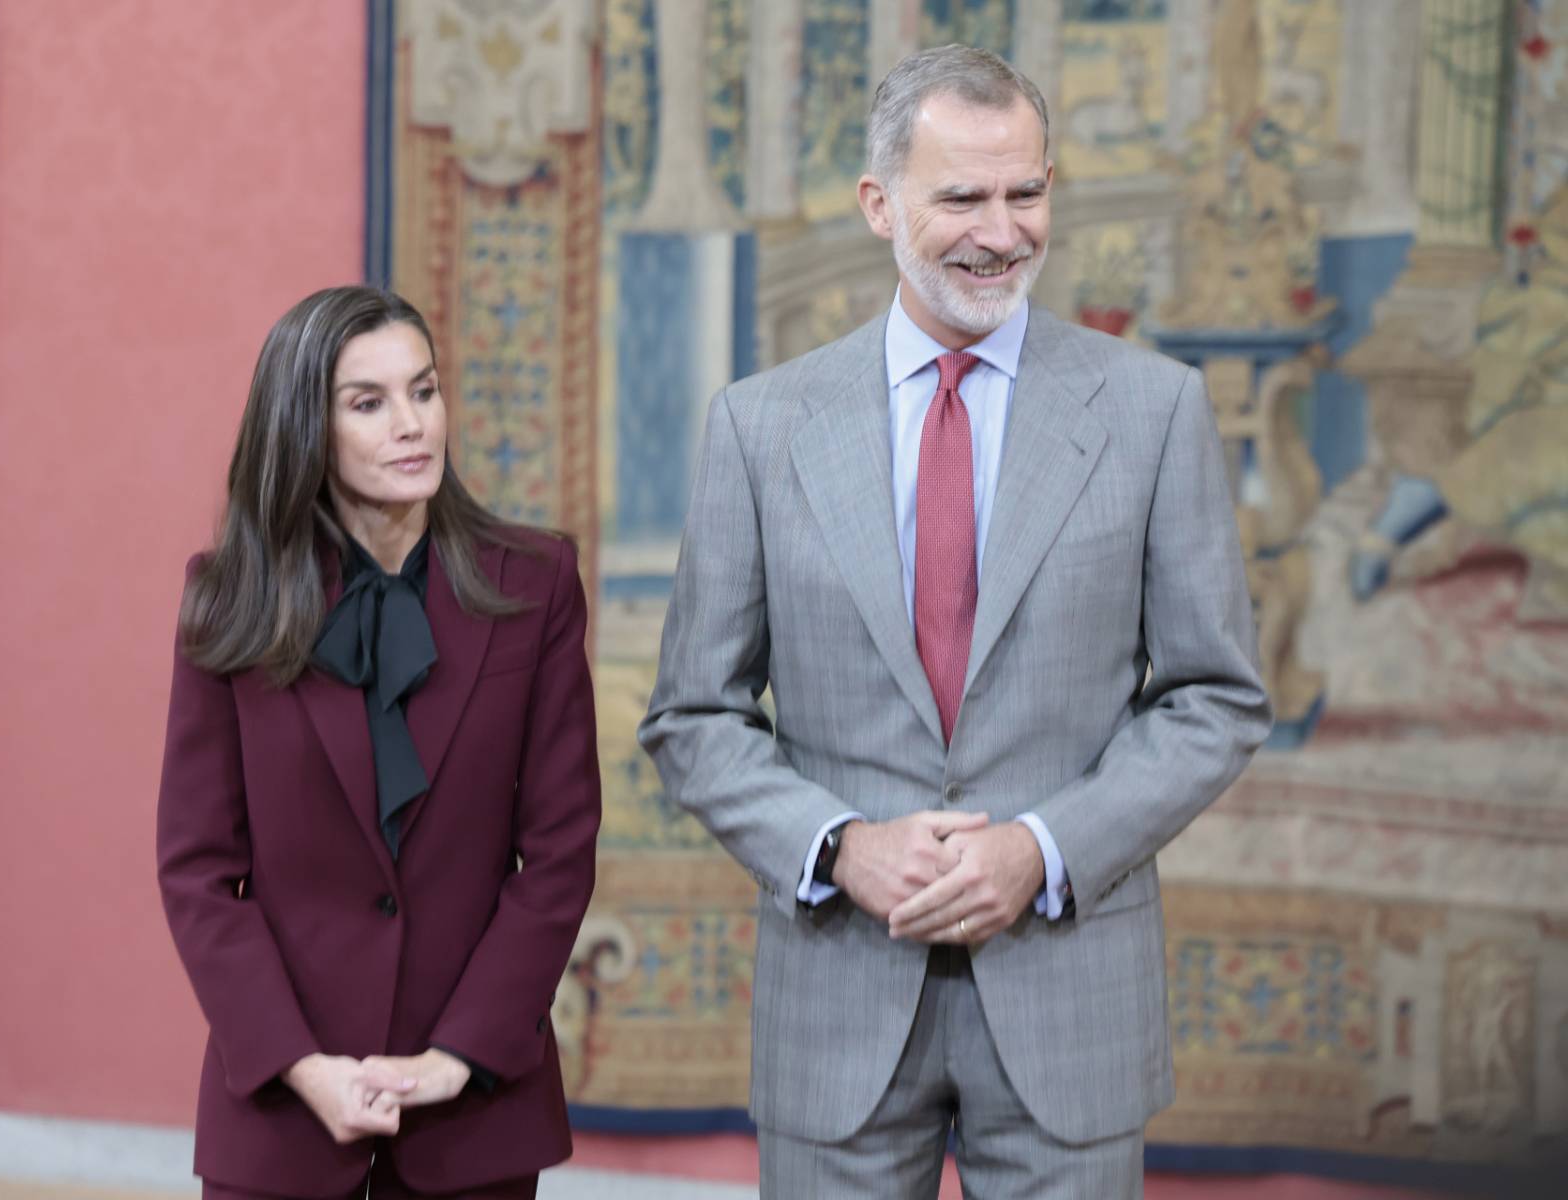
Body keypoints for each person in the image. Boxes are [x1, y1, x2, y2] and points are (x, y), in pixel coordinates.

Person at [639, 45, 1270, 1199]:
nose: (1004, 229)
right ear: (881, 206)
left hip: (1067, 998)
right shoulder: (760, 427)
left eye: (1026, 192)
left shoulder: (1152, 411)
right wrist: (840, 847)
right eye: (963, 197)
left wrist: (1044, 848)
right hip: (838, 1000)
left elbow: (1216, 698)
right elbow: (693, 715)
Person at [157, 285, 600, 1199]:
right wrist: (300, 1064)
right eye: (369, 403)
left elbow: (559, 855)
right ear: (304, 430)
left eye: (424, 390)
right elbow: (199, 869)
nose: (413, 424)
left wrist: (456, 1058)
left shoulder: (536, 585)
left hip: (472, 1111)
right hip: (282, 1108)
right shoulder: (225, 602)